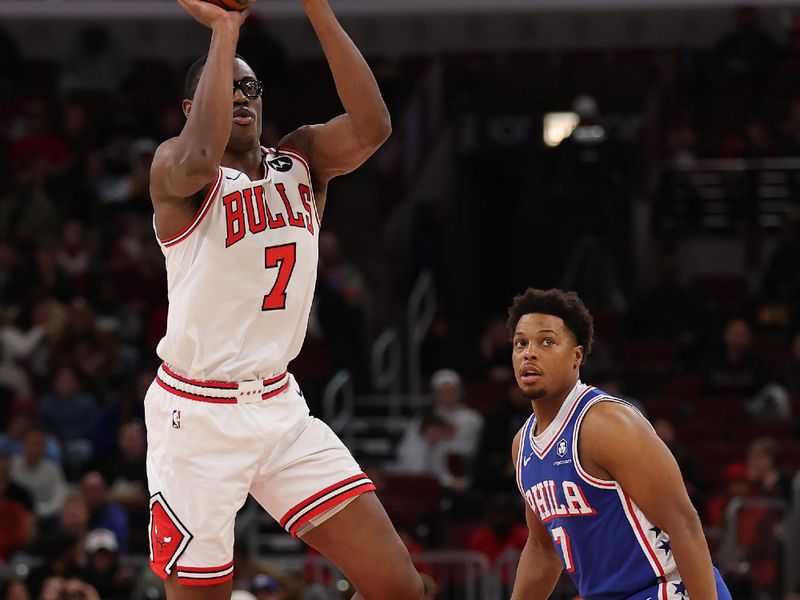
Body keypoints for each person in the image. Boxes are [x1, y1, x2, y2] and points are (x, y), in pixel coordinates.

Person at [145, 2, 420, 600]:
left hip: (279, 406)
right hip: (196, 416)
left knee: (398, 583)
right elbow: (198, 155)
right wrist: (225, 29)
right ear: (193, 108)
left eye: (252, 87)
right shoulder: (176, 166)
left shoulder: (303, 160)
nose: (242, 96)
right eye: (228, 88)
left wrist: (317, 8)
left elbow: (373, 126)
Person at [507, 288, 732, 599]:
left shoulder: (606, 424)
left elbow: (684, 522)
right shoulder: (523, 445)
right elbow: (543, 549)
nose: (529, 352)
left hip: (666, 590)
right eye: (521, 343)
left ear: (577, 356)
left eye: (547, 341)